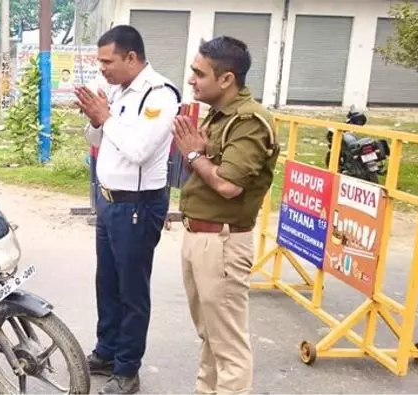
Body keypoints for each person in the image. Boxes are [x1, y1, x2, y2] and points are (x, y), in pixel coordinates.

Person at [74, 25, 180, 394]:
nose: (102, 68)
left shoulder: (159, 95)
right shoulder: (119, 92)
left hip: (137, 207)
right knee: (108, 283)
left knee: (132, 289)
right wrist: (96, 120)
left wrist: (106, 118)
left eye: (108, 61)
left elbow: (138, 150)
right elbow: (101, 140)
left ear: (131, 57)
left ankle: (127, 368)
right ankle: (107, 351)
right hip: (109, 202)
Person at [172, 36, 279, 395]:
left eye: (199, 73)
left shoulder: (249, 121)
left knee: (228, 345)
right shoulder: (220, 116)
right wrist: (198, 154)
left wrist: (192, 156)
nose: (191, 80)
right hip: (200, 237)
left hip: (222, 242)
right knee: (211, 337)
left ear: (226, 79)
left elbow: (229, 186)